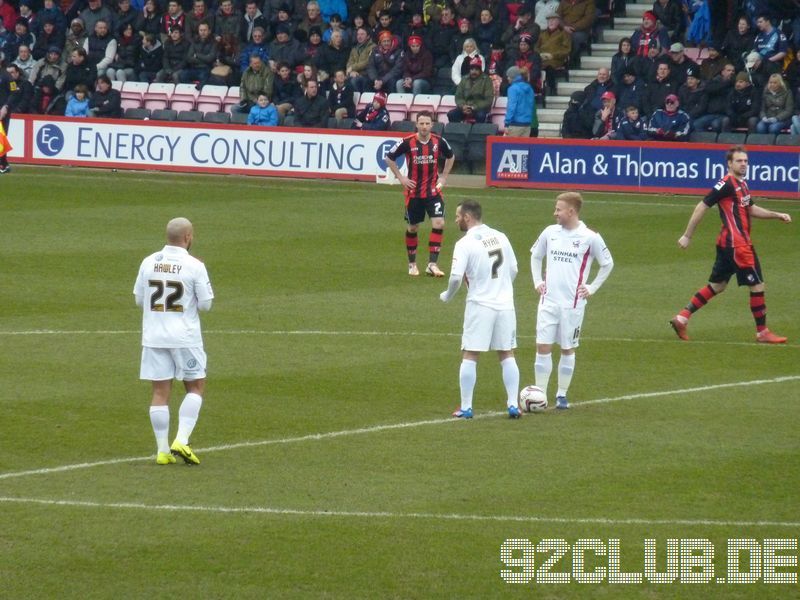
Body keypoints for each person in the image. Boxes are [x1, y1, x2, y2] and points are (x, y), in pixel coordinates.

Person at [669, 147, 792, 344]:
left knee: (717, 285)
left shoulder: (741, 184)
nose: (743, 164)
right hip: (738, 246)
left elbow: (750, 208)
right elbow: (702, 206)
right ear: (729, 164)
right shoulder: (725, 184)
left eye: (745, 161)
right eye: (739, 161)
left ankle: (682, 318)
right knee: (757, 285)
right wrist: (687, 235)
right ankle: (762, 332)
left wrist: (776, 215)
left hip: (728, 244)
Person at [133, 217, 214, 465]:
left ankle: (162, 451)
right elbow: (206, 305)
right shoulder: (194, 266)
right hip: (184, 337)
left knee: (159, 392)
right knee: (196, 386)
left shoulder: (148, 262)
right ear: (188, 237)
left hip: (154, 336)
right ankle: (181, 439)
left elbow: (139, 300)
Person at [439, 200, 522, 420]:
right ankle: (513, 404)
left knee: (470, 353)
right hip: (505, 304)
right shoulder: (501, 236)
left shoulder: (464, 243)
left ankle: (467, 407)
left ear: (467, 217)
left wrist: (447, 296)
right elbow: (513, 268)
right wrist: (501, 288)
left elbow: (456, 277)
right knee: (506, 352)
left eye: (458, 216)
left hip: (479, 304)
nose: (455, 220)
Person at [530, 192, 614, 409]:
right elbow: (535, 255)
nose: (554, 213)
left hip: (573, 305)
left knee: (567, 348)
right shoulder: (550, 233)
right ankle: (540, 395)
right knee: (542, 347)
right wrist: (537, 280)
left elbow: (608, 263)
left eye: (558, 209)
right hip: (547, 301)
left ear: (571, 211)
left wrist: (592, 287)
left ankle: (561, 395)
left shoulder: (590, 237)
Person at [385, 111, 455, 277]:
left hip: (433, 191)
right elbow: (389, 158)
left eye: (427, 123)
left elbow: (451, 157)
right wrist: (401, 177)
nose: (424, 127)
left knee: (439, 223)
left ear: (432, 125)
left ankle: (432, 264)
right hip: (414, 192)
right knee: (413, 227)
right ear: (416, 125)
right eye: (421, 123)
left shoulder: (439, 141)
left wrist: (444, 177)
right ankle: (412, 264)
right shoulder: (408, 142)